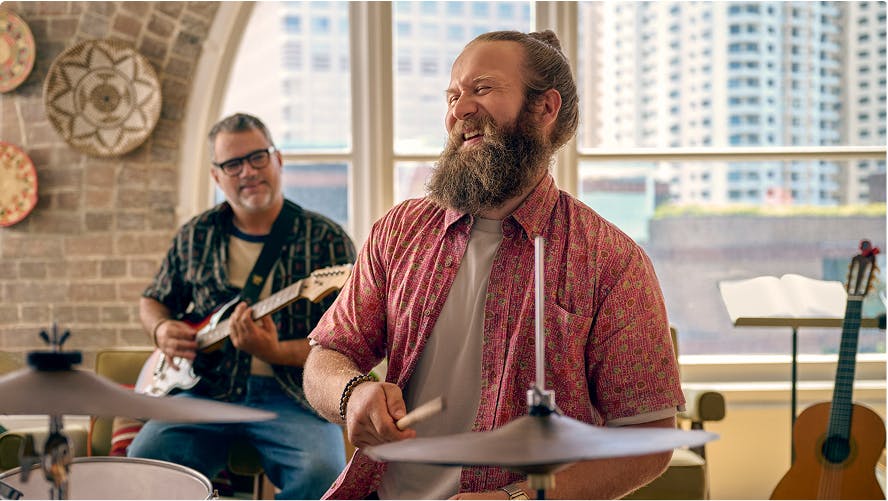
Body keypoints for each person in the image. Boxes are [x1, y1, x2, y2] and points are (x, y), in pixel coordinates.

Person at [303, 30, 685, 500]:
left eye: (482, 89)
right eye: (453, 95)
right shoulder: (399, 231)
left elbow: (647, 440)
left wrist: (517, 499)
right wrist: (353, 393)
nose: (459, 111)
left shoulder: (612, 261)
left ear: (545, 108)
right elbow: (326, 356)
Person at [128, 113, 356, 500]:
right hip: (204, 391)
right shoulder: (196, 236)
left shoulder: (326, 240)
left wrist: (275, 352)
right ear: (217, 177)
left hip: (292, 395)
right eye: (233, 164)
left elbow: (344, 344)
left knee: (325, 474)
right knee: (145, 460)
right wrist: (162, 329)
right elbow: (153, 300)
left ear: (278, 160)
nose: (248, 172)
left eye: (257, 158)